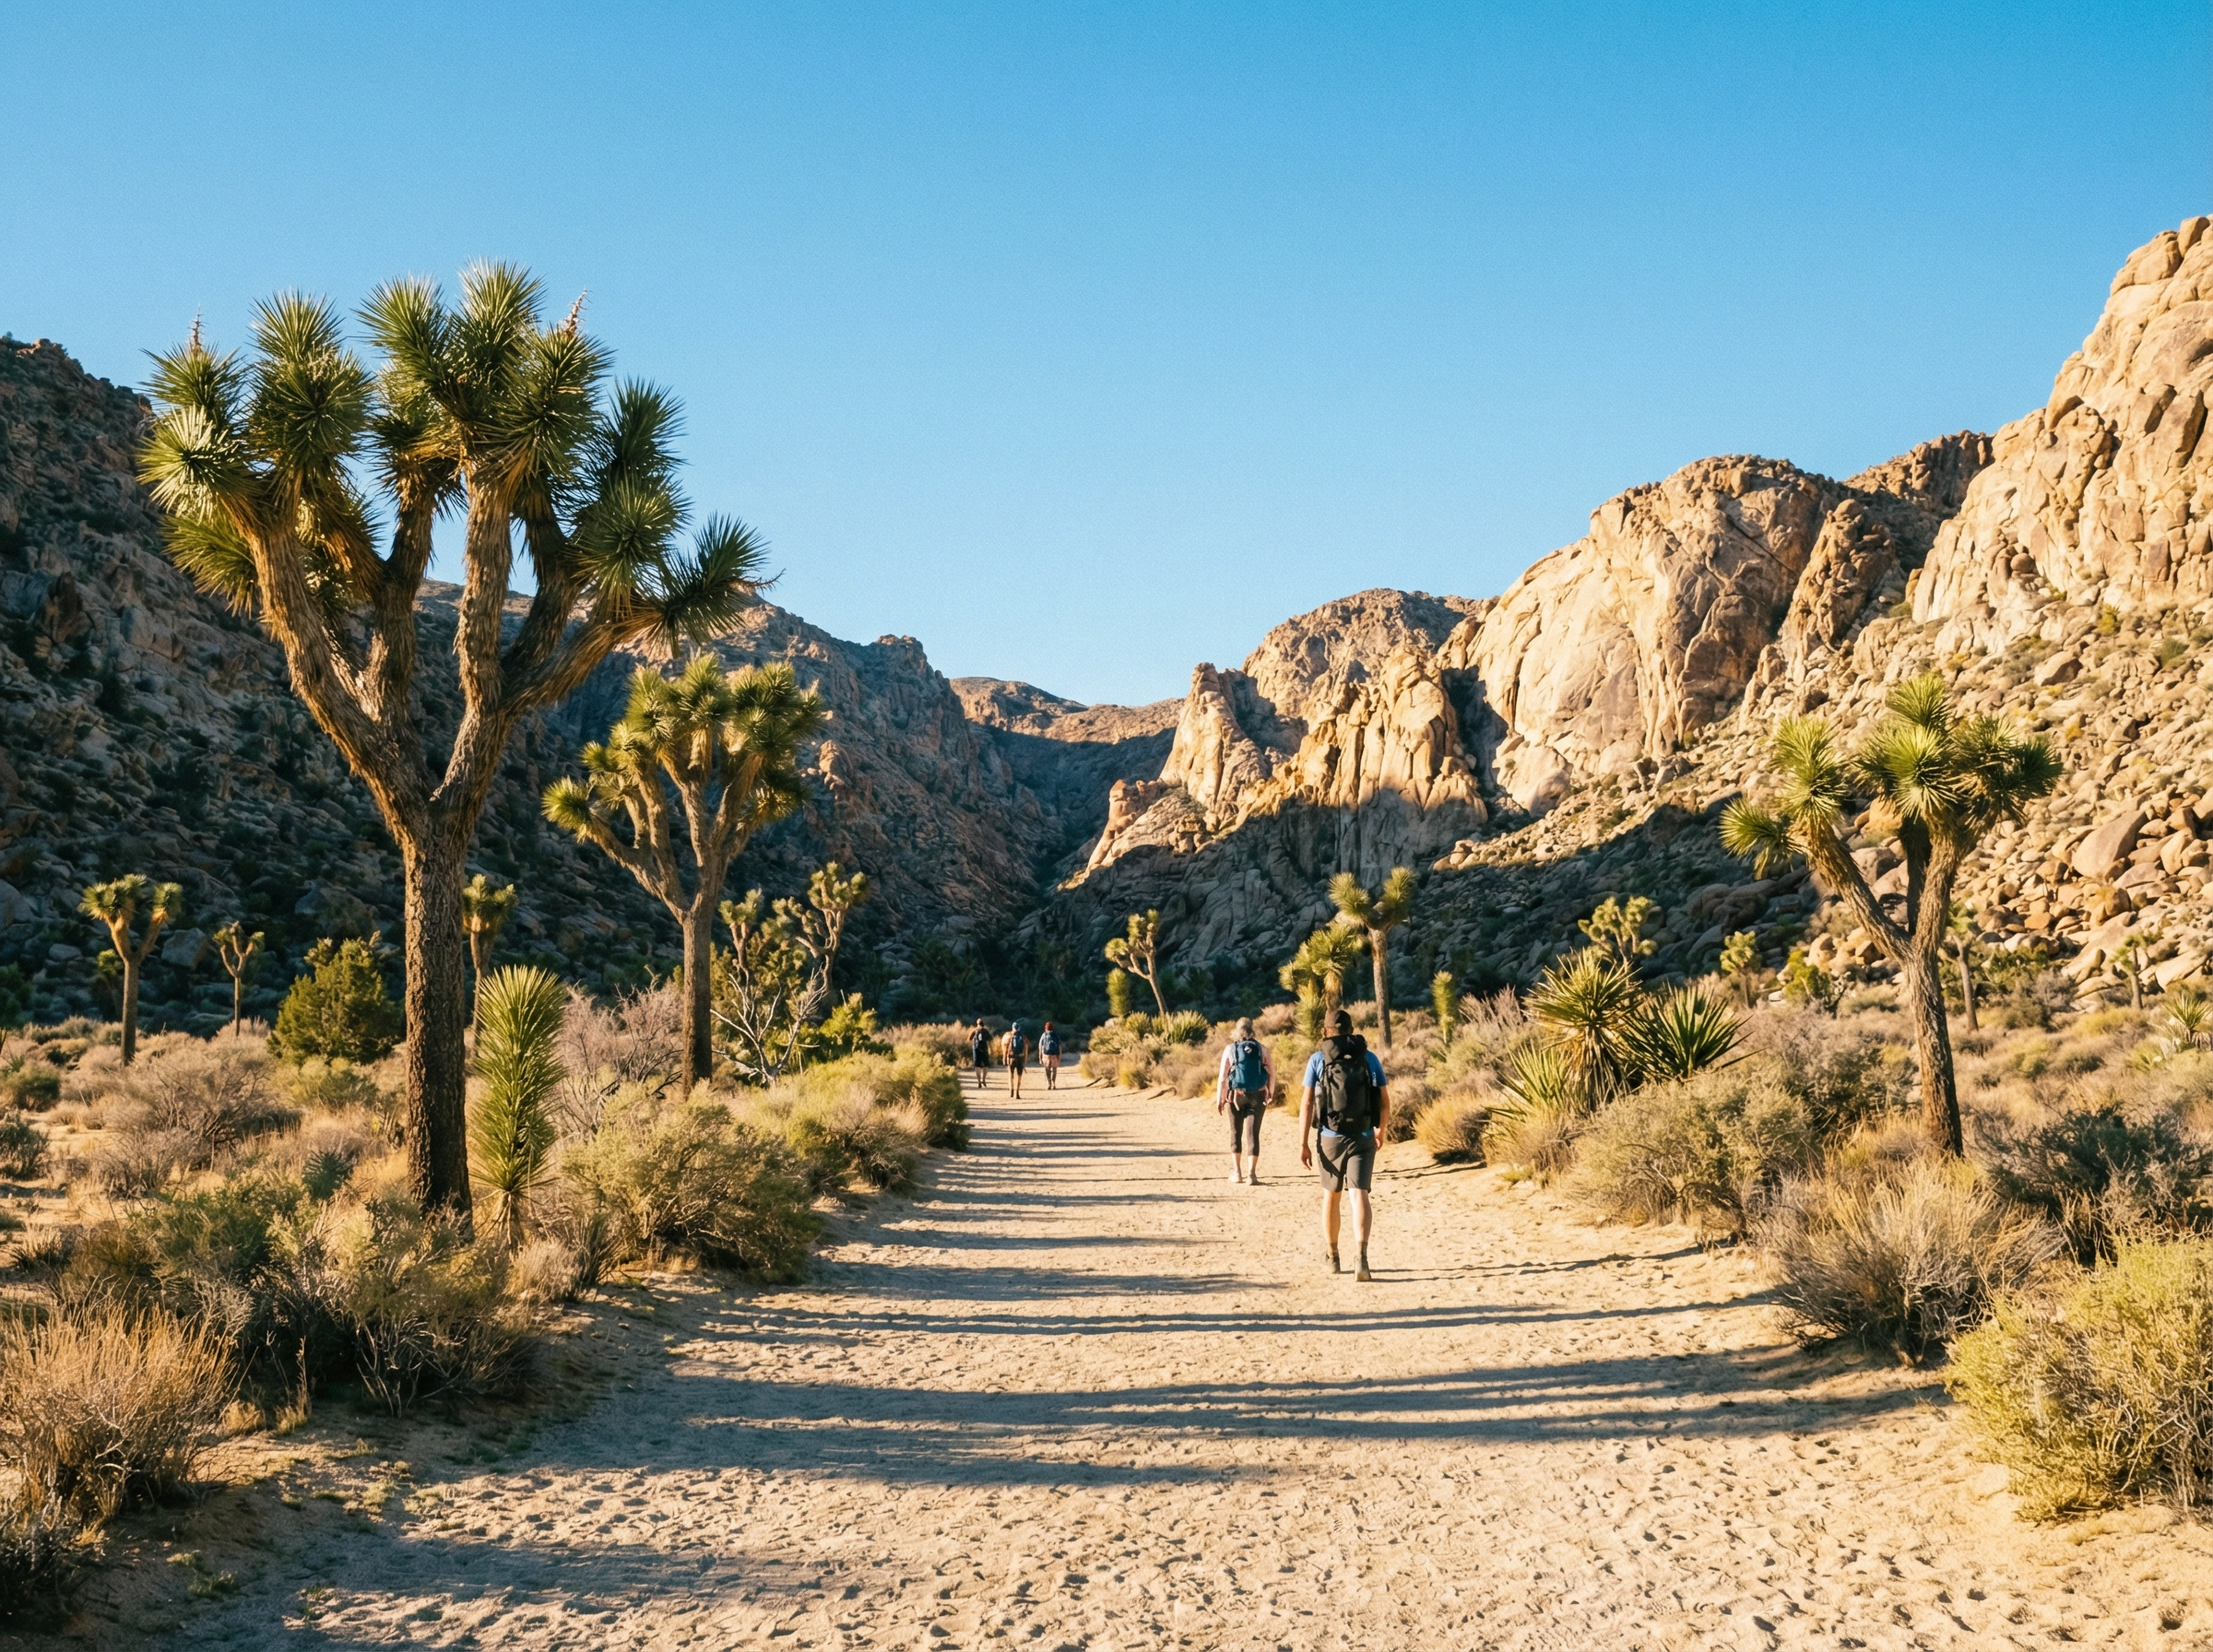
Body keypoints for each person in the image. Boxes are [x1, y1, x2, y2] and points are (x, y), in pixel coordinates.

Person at [1297, 1009, 1389, 1280]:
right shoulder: (1369, 1058)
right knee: (1359, 1194)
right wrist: (1381, 1130)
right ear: (1351, 1028)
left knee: (1332, 1196)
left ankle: (1333, 1256)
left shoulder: (1317, 1059)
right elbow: (1384, 1100)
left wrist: (1303, 1143)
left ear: (1325, 1031)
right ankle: (1361, 1258)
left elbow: (1306, 1104)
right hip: (1362, 1135)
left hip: (1330, 1137)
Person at [1214, 1017, 1276, 1185]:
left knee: (1236, 1132)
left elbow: (1222, 1077)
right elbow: (1272, 1072)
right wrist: (1269, 1092)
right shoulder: (1262, 1049)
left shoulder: (1230, 1049)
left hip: (1235, 1096)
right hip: (1258, 1094)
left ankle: (1237, 1173)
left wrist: (1220, 1099)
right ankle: (1252, 1175)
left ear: (1236, 1031)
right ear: (1252, 1030)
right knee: (1253, 1133)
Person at [1004, 1019, 1028, 1099]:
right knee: (1019, 1076)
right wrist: (1025, 1059)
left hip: (1012, 1058)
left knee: (1011, 1075)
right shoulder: (1023, 1037)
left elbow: (1006, 1048)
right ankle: (1017, 1093)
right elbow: (1026, 1048)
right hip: (1020, 1058)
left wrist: (1005, 1058)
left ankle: (1011, 1090)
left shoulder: (1009, 1036)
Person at [967, 1020, 991, 1090]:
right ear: (983, 1024)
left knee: (977, 1066)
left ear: (977, 1024)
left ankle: (979, 1082)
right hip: (984, 1050)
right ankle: (983, 1080)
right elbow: (990, 1039)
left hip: (976, 1050)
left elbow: (969, 1039)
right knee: (985, 1066)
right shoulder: (985, 1031)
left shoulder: (974, 1030)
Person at [1038, 1021, 1061, 1089]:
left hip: (1046, 1055)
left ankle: (1049, 1084)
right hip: (1054, 1054)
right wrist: (1059, 1055)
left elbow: (1040, 1046)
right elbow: (1059, 1046)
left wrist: (1040, 1057)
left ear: (1046, 1028)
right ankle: (1054, 1083)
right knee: (1054, 1069)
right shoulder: (1055, 1035)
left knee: (1047, 1069)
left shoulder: (1044, 1035)